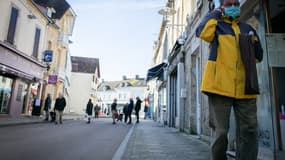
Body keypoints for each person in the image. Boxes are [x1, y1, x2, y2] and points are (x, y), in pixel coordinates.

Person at [195, 0, 263, 160]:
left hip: (246, 87)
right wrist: (216, 13)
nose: (233, 6)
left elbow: (259, 56)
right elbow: (202, 31)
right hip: (219, 87)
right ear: (222, 6)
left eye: (236, 4)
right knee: (221, 132)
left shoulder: (248, 29)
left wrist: (250, 46)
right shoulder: (216, 26)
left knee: (250, 130)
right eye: (228, 3)